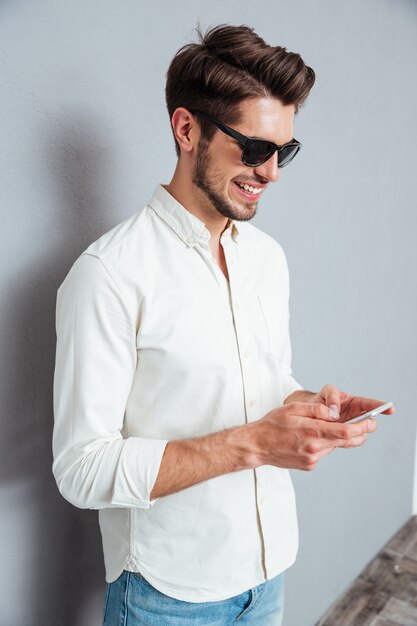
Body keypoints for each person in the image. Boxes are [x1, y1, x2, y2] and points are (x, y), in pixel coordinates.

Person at [52, 24, 394, 626]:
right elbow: (82, 468)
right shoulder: (108, 274)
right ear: (187, 130)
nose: (272, 173)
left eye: (284, 152)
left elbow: (264, 381)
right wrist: (257, 443)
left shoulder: (266, 258)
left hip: (267, 571)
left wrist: (308, 407)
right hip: (167, 593)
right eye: (255, 148)